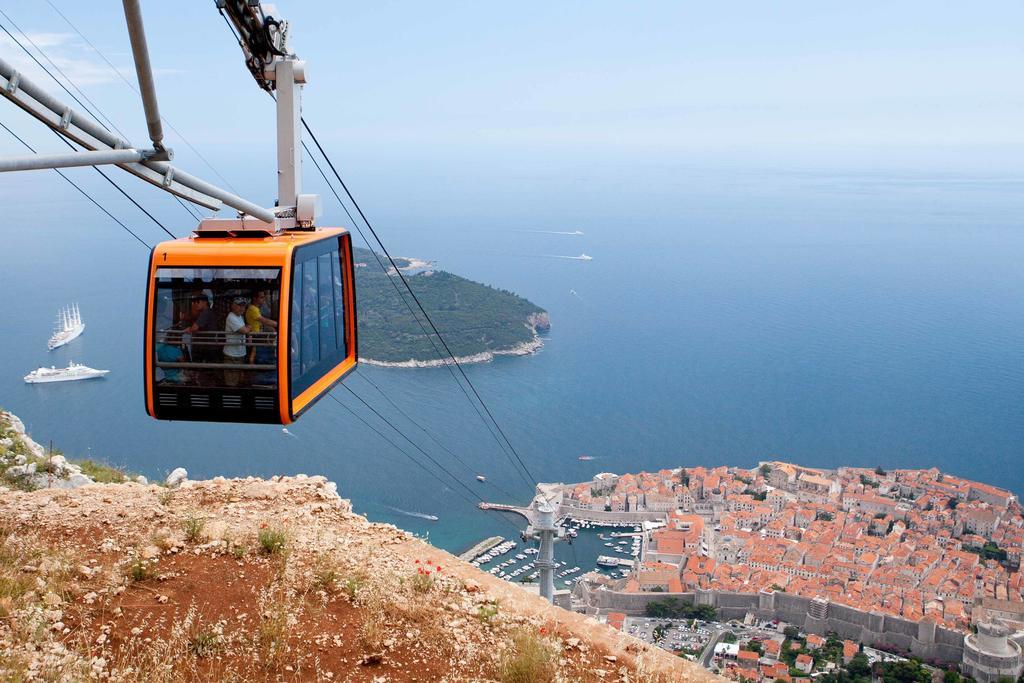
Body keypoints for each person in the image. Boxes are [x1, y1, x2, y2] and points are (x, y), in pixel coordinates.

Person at [223, 297, 252, 387]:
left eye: (244, 306)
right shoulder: (231, 317)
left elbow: (246, 330)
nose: (242, 308)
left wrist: (247, 329)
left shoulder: (239, 316)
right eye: (239, 306)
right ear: (233, 306)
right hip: (232, 355)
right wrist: (248, 328)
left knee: (239, 380)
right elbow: (245, 330)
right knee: (231, 382)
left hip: (239, 353)